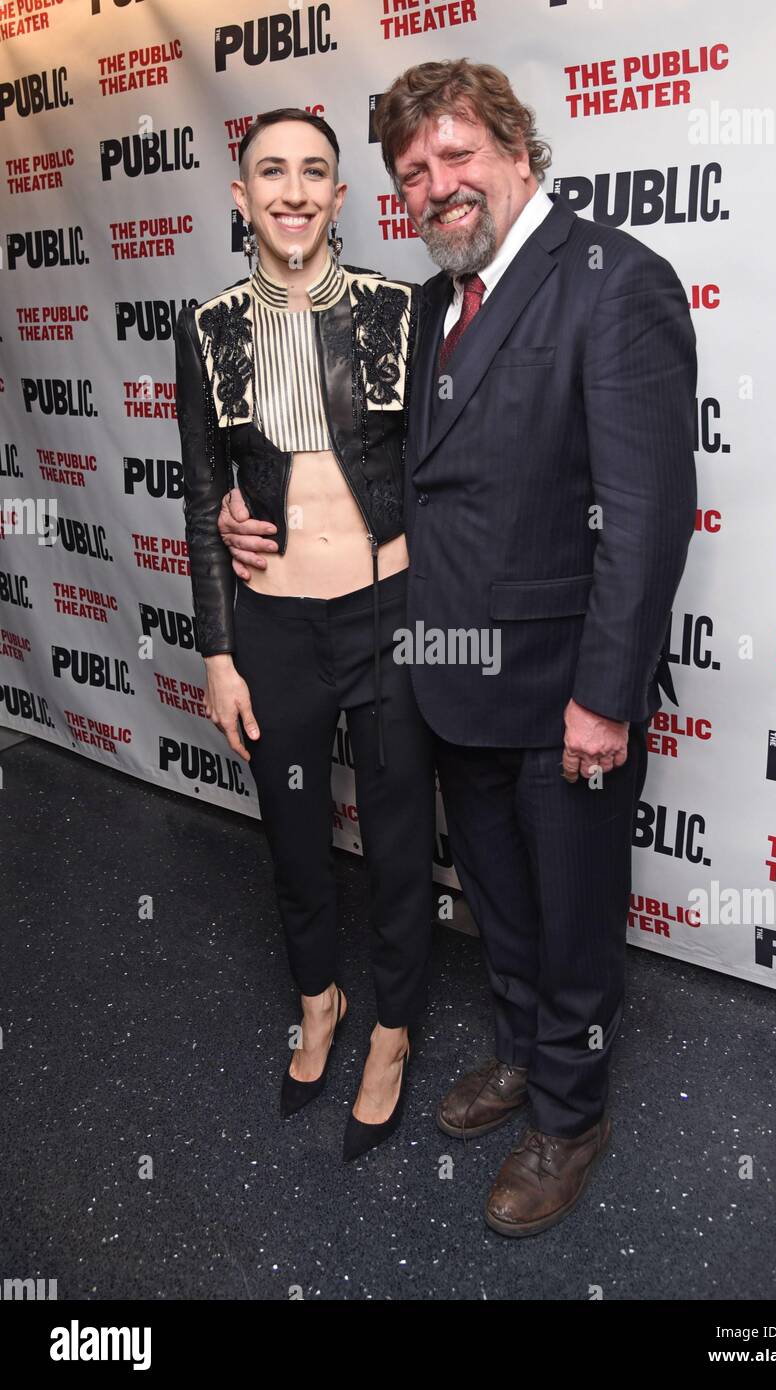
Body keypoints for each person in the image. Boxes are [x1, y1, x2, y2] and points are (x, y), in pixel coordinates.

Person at [219, 61, 698, 1236]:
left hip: (559, 694)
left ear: (516, 152)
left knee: (573, 918)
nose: (437, 185)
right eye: (412, 172)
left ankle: (570, 1110)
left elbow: (643, 516)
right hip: (449, 678)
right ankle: (527, 1057)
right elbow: (391, 473)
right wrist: (248, 509)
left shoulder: (613, 281)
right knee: (500, 907)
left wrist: (603, 697)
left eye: (456, 155)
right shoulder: (434, 301)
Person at [173, 108, 435, 1163]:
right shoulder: (206, 327)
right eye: (269, 172)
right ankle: (318, 1000)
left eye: (312, 172)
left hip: (390, 617)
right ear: (240, 196)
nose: (291, 190)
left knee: (400, 836)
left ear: (339, 196)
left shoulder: (400, 310)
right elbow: (202, 498)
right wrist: (218, 650)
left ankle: (391, 1028)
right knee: (292, 836)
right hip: (273, 627)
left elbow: (440, 464)